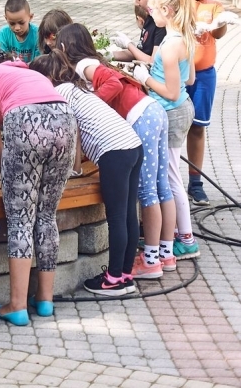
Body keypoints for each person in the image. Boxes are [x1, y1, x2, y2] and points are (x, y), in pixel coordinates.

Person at [55, 23, 175, 280]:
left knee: (145, 193)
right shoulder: (95, 60)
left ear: (64, 47)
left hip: (139, 118)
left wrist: (92, 104)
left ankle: (149, 261)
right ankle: (163, 253)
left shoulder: (82, 65)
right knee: (160, 186)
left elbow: (113, 84)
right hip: (152, 111)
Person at [0, 41, 76, 325]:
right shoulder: (28, 72)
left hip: (26, 122)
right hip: (65, 119)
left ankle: (17, 306)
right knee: (46, 215)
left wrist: (7, 175)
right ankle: (45, 300)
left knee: (21, 219)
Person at [30, 51, 143, 298]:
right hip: (133, 145)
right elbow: (79, 131)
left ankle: (113, 279)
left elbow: (68, 134)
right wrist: (77, 169)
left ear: (45, 78)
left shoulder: (59, 94)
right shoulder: (76, 89)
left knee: (116, 216)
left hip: (114, 151)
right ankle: (125, 275)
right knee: (128, 215)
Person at [134, 0, 200, 261]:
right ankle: (173, 234)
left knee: (171, 177)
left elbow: (172, 92)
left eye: (151, 9)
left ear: (166, 9)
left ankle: (186, 239)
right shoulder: (183, 37)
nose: (149, 14)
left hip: (172, 112)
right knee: (170, 175)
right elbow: (189, 79)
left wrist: (146, 78)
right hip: (180, 108)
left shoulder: (170, 46)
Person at [182, 0, 226, 204]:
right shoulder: (178, 4)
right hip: (179, 74)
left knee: (197, 127)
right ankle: (166, 179)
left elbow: (219, 32)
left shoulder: (214, 6)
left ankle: (195, 183)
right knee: (172, 127)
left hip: (204, 76)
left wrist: (217, 23)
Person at [112, 0, 167, 65]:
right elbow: (139, 53)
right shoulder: (150, 18)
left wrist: (129, 45)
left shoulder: (161, 24)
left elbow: (153, 61)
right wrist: (108, 55)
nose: (136, 3)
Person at [0, 0, 41, 64]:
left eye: (21, 23)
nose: (17, 28)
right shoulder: (3, 34)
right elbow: (0, 59)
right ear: (6, 19)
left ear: (30, 17)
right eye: (12, 23)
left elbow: (40, 62)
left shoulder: (38, 34)